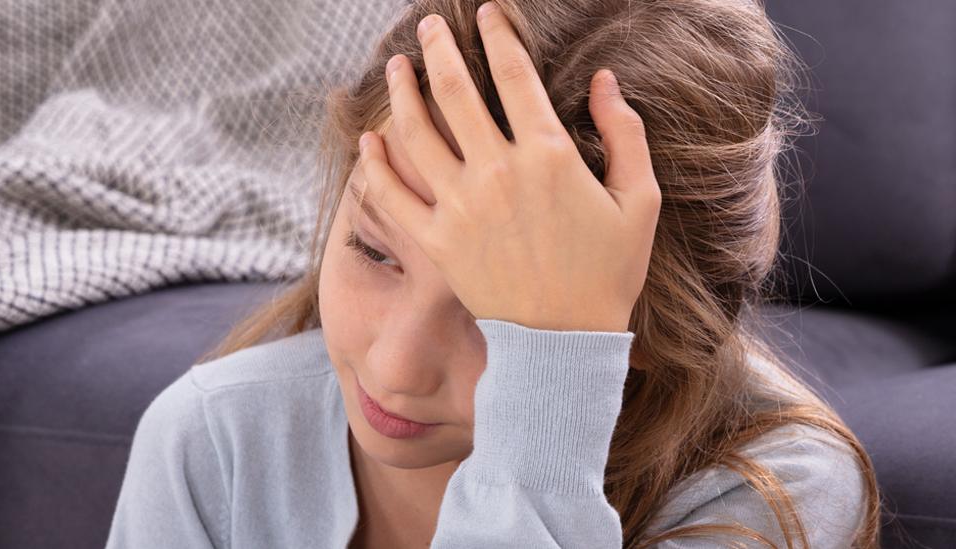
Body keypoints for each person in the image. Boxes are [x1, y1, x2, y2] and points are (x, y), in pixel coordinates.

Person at [104, 1, 883, 547]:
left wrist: (555, 377)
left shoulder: (776, 489)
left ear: (650, 328)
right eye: (376, 251)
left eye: (491, 309)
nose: (395, 368)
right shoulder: (213, 442)